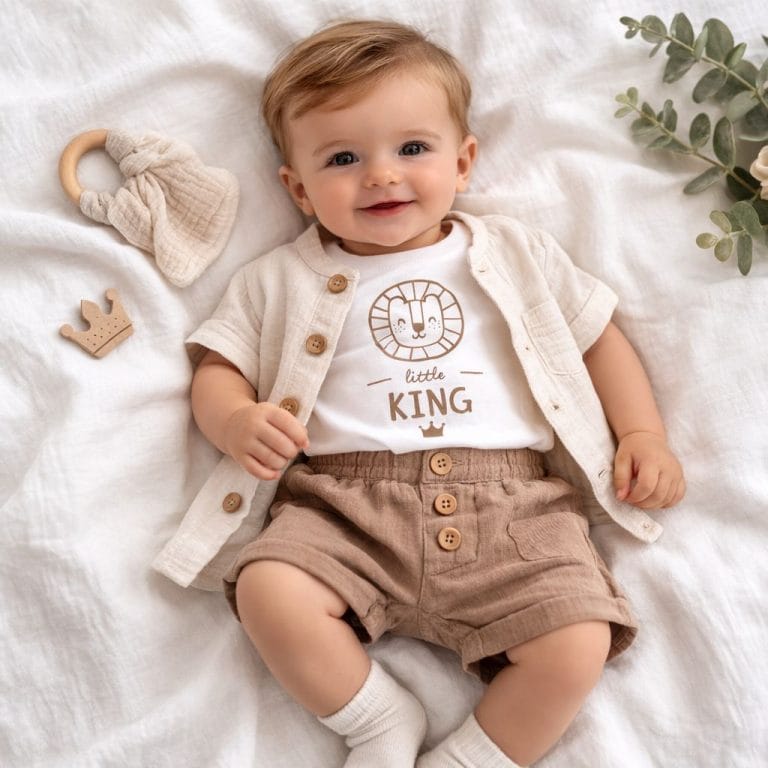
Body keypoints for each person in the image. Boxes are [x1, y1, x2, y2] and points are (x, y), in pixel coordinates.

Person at [173, 19, 685, 768]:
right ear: (299, 189)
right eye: (343, 158)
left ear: (463, 161)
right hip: (343, 508)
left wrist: (643, 435)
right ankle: (376, 720)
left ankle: (471, 757)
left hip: (515, 512)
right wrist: (235, 420)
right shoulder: (275, 279)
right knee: (266, 590)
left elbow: (595, 336)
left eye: (412, 149)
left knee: (578, 639)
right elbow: (218, 367)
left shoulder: (514, 251)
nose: (381, 175)